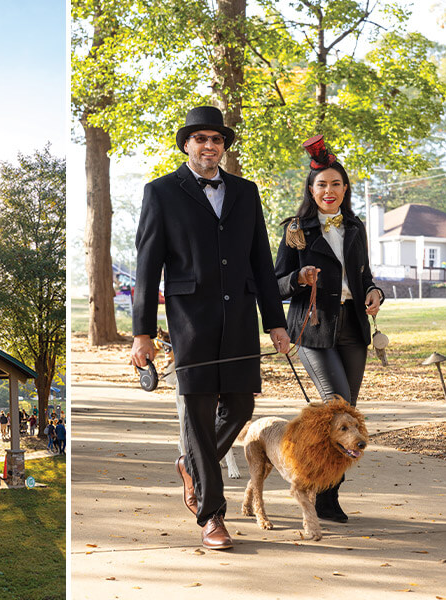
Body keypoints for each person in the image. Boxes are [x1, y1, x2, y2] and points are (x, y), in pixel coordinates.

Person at [130, 106, 290, 551]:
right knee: (198, 416)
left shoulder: (245, 191)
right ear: (187, 145)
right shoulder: (160, 192)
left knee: (239, 407)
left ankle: (190, 465)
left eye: (216, 139)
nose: (208, 146)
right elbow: (147, 266)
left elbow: (261, 262)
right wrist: (142, 332)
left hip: (239, 317)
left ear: (223, 146)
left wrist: (275, 323)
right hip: (190, 322)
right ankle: (212, 516)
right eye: (200, 138)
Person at [273, 135, 384, 523]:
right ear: (311, 189)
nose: (329, 190)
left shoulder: (355, 225)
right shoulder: (296, 229)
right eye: (322, 184)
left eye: (336, 183)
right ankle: (317, 489)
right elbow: (275, 283)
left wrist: (374, 291)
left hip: (353, 326)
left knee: (347, 416)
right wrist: (299, 278)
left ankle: (327, 494)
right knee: (335, 404)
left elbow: (364, 275)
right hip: (312, 330)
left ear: (345, 188)